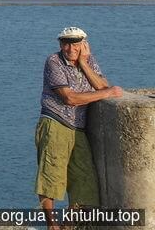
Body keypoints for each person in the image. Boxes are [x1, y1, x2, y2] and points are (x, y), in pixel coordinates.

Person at [35, 26, 123, 230]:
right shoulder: (54, 62)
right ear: (60, 45)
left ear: (84, 44)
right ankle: (52, 225)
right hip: (55, 122)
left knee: (85, 180)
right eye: (65, 43)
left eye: (75, 43)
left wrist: (83, 63)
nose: (70, 48)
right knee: (51, 177)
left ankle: (68, 225)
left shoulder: (88, 61)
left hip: (78, 128)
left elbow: (102, 85)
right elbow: (70, 98)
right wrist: (107, 94)